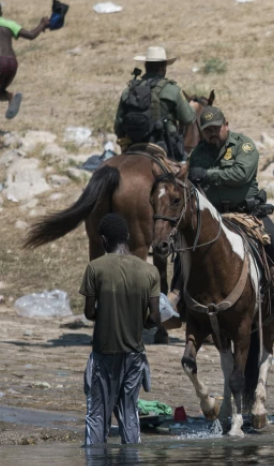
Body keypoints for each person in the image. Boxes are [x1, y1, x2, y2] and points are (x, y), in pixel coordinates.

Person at [187, 106, 274, 304]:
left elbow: (241, 174)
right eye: (207, 130)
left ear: (226, 125)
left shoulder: (244, 146)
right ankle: (179, 298)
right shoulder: (198, 153)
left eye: (216, 129)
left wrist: (207, 175)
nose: (212, 134)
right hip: (213, 215)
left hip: (247, 212)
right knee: (184, 250)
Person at [80, 214, 161, 446]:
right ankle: (131, 457)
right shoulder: (149, 272)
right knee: (129, 413)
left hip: (104, 352)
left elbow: (88, 313)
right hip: (135, 355)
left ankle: (94, 459)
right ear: (127, 236)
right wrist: (140, 322)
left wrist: (105, 313)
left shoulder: (95, 268)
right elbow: (155, 317)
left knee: (97, 414)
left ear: (104, 240)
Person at [0, 1, 49, 149]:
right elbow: (31, 35)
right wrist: (42, 24)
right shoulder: (8, 24)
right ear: (1, 14)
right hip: (12, 63)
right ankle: (9, 96)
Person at [114, 46, 195, 161]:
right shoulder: (172, 90)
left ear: (146, 66)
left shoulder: (129, 90)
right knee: (186, 170)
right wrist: (192, 107)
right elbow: (188, 119)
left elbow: (118, 125)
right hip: (166, 147)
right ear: (163, 67)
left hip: (133, 146)